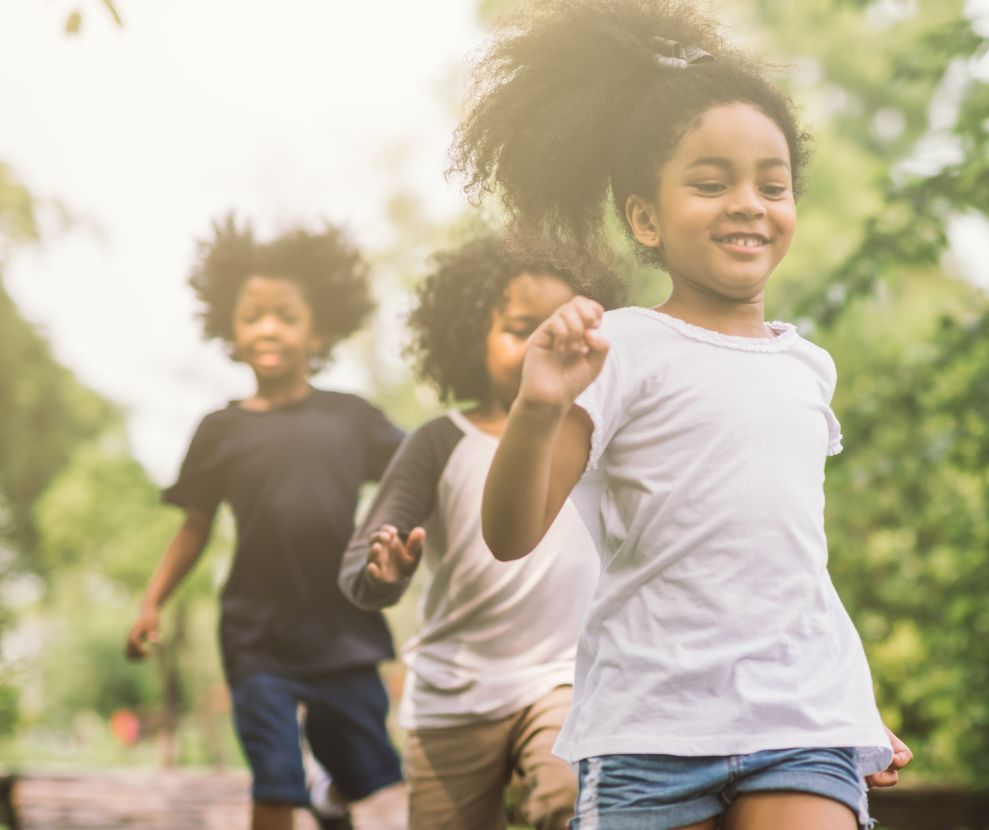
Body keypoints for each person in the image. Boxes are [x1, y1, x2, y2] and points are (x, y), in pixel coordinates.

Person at [451, 2, 914, 829]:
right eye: (711, 183)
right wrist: (538, 406)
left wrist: (851, 704)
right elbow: (511, 532)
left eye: (772, 184)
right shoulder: (619, 348)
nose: (748, 203)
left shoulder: (808, 367)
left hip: (800, 726)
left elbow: (791, 560)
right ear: (645, 218)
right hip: (650, 735)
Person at [124, 218, 403, 830]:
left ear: (317, 331)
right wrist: (151, 602)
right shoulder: (220, 431)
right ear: (231, 328)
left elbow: (419, 475)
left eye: (285, 314)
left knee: (376, 784)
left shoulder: (352, 419)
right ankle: (308, 791)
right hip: (257, 635)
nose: (268, 327)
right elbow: (195, 527)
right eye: (252, 315)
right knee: (275, 783)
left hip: (342, 627)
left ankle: (332, 797)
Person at [338, 235, 624, 830]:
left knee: (566, 797)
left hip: (561, 679)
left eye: (561, 331)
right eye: (521, 329)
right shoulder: (440, 441)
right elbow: (360, 562)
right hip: (455, 694)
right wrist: (382, 576)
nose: (542, 347)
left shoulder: (594, 438)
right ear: (472, 336)